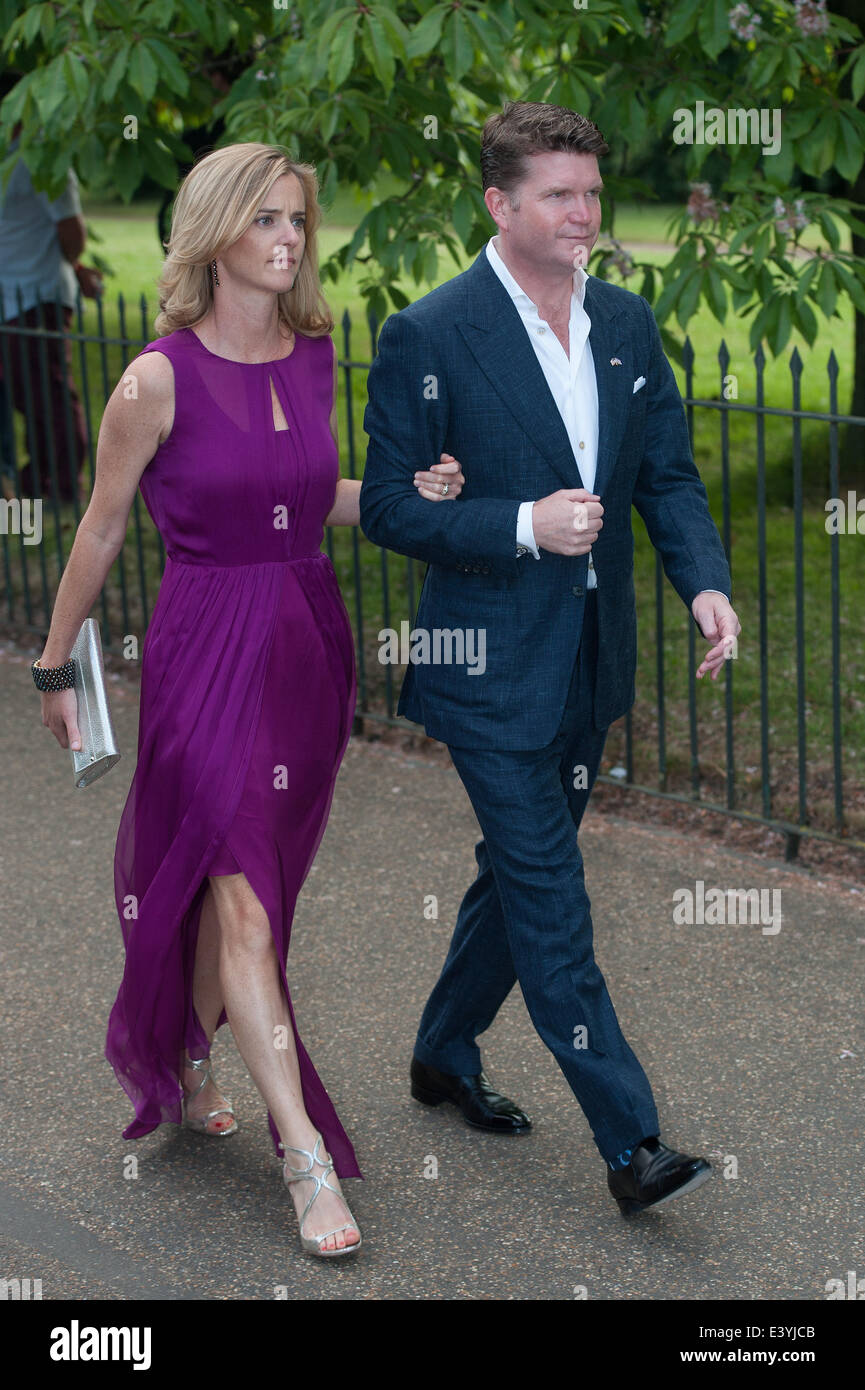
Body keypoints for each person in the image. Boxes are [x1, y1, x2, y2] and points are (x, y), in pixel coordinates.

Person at [33, 142, 463, 1258]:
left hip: (303, 654)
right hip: (202, 653)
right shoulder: (155, 377)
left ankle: (187, 1043)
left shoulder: (316, 356)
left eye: (298, 221)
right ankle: (306, 1157)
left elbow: (312, 500)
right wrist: (52, 662)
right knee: (244, 906)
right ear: (216, 231)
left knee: (258, 890)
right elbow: (102, 525)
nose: (288, 238)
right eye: (266, 218)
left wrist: (410, 496)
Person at [360, 102, 741, 1217]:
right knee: (552, 898)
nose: (585, 213)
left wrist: (704, 581)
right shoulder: (428, 334)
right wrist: (521, 522)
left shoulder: (624, 319)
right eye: (559, 195)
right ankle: (632, 1145)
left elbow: (664, 475)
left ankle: (440, 1051)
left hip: (588, 664)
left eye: (590, 191)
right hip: (482, 666)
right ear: (500, 204)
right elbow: (388, 506)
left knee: (512, 883)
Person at [0, 71, 100, 504]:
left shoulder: (44, 161)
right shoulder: (10, 156)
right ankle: (37, 474)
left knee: (48, 393)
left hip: (37, 294)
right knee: (26, 395)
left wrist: (73, 263)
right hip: (11, 297)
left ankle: (62, 483)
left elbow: (71, 233)